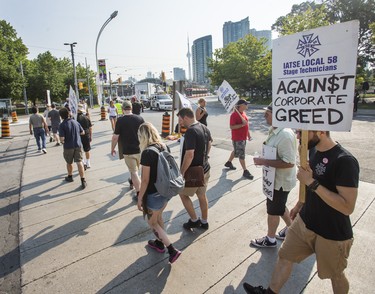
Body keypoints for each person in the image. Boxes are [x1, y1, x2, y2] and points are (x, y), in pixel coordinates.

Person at [243, 130, 359, 294]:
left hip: (332, 232)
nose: (298, 136)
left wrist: (312, 183)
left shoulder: (345, 161)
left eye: (302, 132)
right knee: (284, 256)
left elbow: (347, 206)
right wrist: (300, 203)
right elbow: (308, 182)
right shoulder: (312, 151)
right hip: (305, 222)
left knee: (336, 274)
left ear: (320, 131)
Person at [251, 104, 297, 248]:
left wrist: (263, 161)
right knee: (279, 207)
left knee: (273, 211)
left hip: (280, 182)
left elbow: (289, 162)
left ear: (278, 115)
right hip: (274, 180)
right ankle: (292, 229)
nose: (265, 116)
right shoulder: (275, 130)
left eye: (268, 113)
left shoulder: (285, 135)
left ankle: (270, 239)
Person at [137, 122, 182, 263]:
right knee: (159, 217)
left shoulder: (147, 152)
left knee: (152, 223)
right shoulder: (164, 146)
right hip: (166, 191)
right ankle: (159, 243)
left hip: (153, 194)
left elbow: (144, 180)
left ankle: (171, 250)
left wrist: (139, 197)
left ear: (142, 137)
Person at [177, 107, 212, 230]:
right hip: (205, 169)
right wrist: (205, 156)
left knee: (182, 194)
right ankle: (204, 221)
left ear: (186, 117)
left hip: (193, 172)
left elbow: (189, 154)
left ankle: (194, 220)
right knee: (202, 196)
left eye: (180, 120)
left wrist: (181, 172)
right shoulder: (203, 127)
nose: (180, 123)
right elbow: (209, 143)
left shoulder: (191, 131)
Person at [111, 101, 145, 198]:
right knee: (135, 170)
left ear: (122, 109)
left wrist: (112, 148)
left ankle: (139, 193)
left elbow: (115, 137)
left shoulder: (120, 121)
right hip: (140, 149)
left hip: (128, 151)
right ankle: (132, 181)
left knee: (134, 172)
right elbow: (145, 133)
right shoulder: (140, 118)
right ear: (131, 108)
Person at [224, 99, 253, 180]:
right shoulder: (234, 115)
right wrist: (241, 125)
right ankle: (245, 171)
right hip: (238, 138)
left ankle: (229, 162)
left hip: (243, 137)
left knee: (236, 150)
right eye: (246, 104)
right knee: (241, 154)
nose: (247, 105)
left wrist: (249, 135)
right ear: (240, 105)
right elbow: (232, 127)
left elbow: (246, 125)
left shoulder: (243, 113)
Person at [58, 107, 87, 189]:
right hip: (78, 145)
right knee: (79, 162)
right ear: (68, 114)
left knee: (69, 162)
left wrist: (62, 141)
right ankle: (83, 180)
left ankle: (70, 176)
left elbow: (62, 138)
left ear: (61, 116)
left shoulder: (62, 125)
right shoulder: (75, 122)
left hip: (68, 146)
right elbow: (83, 132)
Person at [77, 104, 93, 170]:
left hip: (78, 135)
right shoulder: (86, 117)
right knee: (87, 149)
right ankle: (88, 162)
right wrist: (91, 136)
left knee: (80, 150)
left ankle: (83, 162)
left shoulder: (75, 118)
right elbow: (90, 127)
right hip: (86, 134)